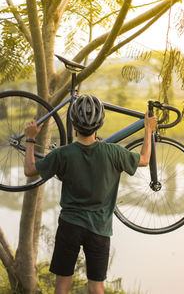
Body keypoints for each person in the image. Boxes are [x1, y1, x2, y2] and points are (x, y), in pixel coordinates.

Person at [24, 95, 157, 294]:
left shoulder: (63, 154)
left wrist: (30, 138)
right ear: (99, 124)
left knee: (62, 284)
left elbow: (29, 169)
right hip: (100, 229)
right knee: (96, 286)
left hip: (69, 225)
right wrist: (148, 129)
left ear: (74, 125)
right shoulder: (113, 152)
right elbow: (145, 159)